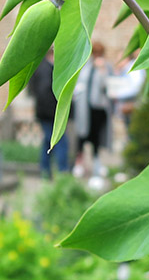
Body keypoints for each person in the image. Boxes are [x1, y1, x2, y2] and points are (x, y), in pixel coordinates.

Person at [72, 41, 113, 179]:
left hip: (98, 108)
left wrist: (102, 71)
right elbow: (78, 84)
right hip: (84, 108)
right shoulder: (85, 66)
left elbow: (108, 85)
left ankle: (97, 163)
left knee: (96, 137)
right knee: (82, 136)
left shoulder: (106, 67)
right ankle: (79, 163)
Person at [28, 48, 69, 178]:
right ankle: (62, 171)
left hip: (45, 113)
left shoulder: (42, 67)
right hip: (49, 114)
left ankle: (45, 171)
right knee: (60, 141)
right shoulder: (46, 69)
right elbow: (44, 93)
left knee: (48, 142)